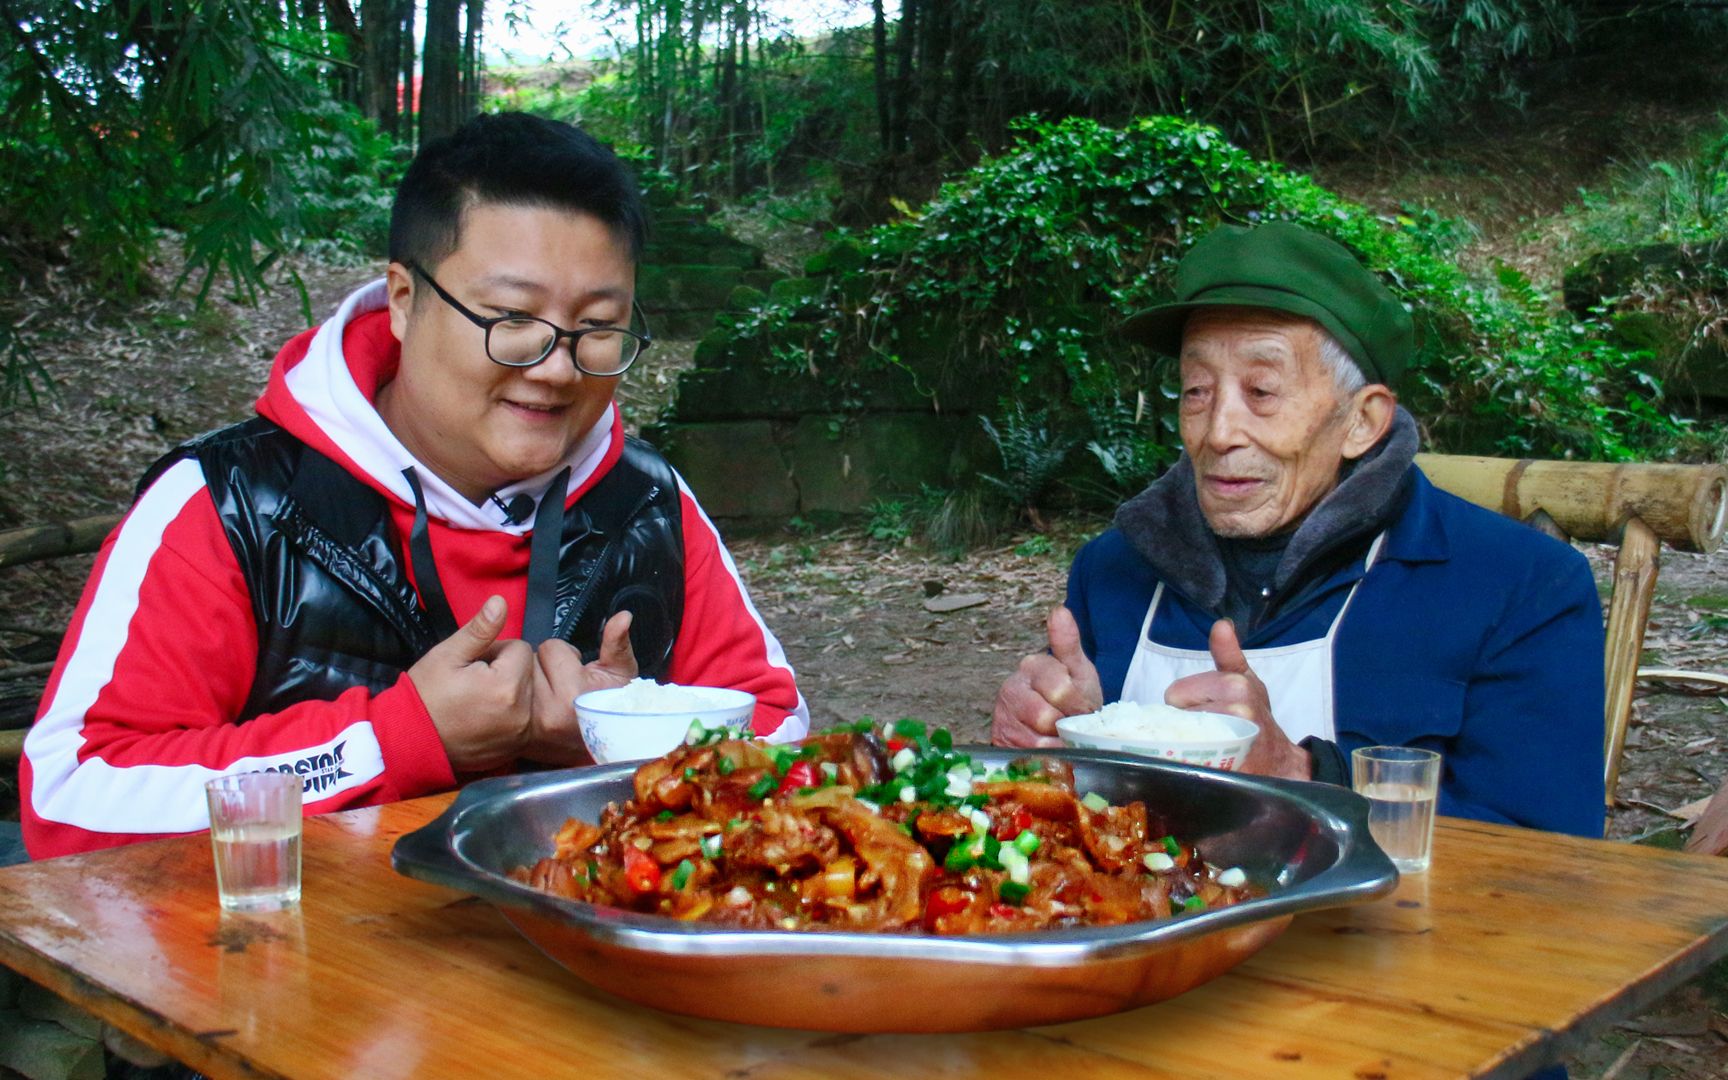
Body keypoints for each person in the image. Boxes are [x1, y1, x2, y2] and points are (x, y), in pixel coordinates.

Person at [21, 112, 808, 858]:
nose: (558, 367)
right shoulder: (232, 502)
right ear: (404, 300)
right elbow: (74, 796)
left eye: (598, 328)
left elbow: (781, 730)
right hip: (292, 974)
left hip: (576, 972)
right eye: (512, 316)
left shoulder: (646, 501)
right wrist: (396, 739)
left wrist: (619, 737)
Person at [992, 220, 1605, 838]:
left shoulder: (1520, 587)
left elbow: (1554, 859)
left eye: (1261, 390)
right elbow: (1049, 825)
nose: (1218, 431)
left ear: (1362, 422)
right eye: (1196, 390)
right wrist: (1044, 748)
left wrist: (1300, 774)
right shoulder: (1114, 569)